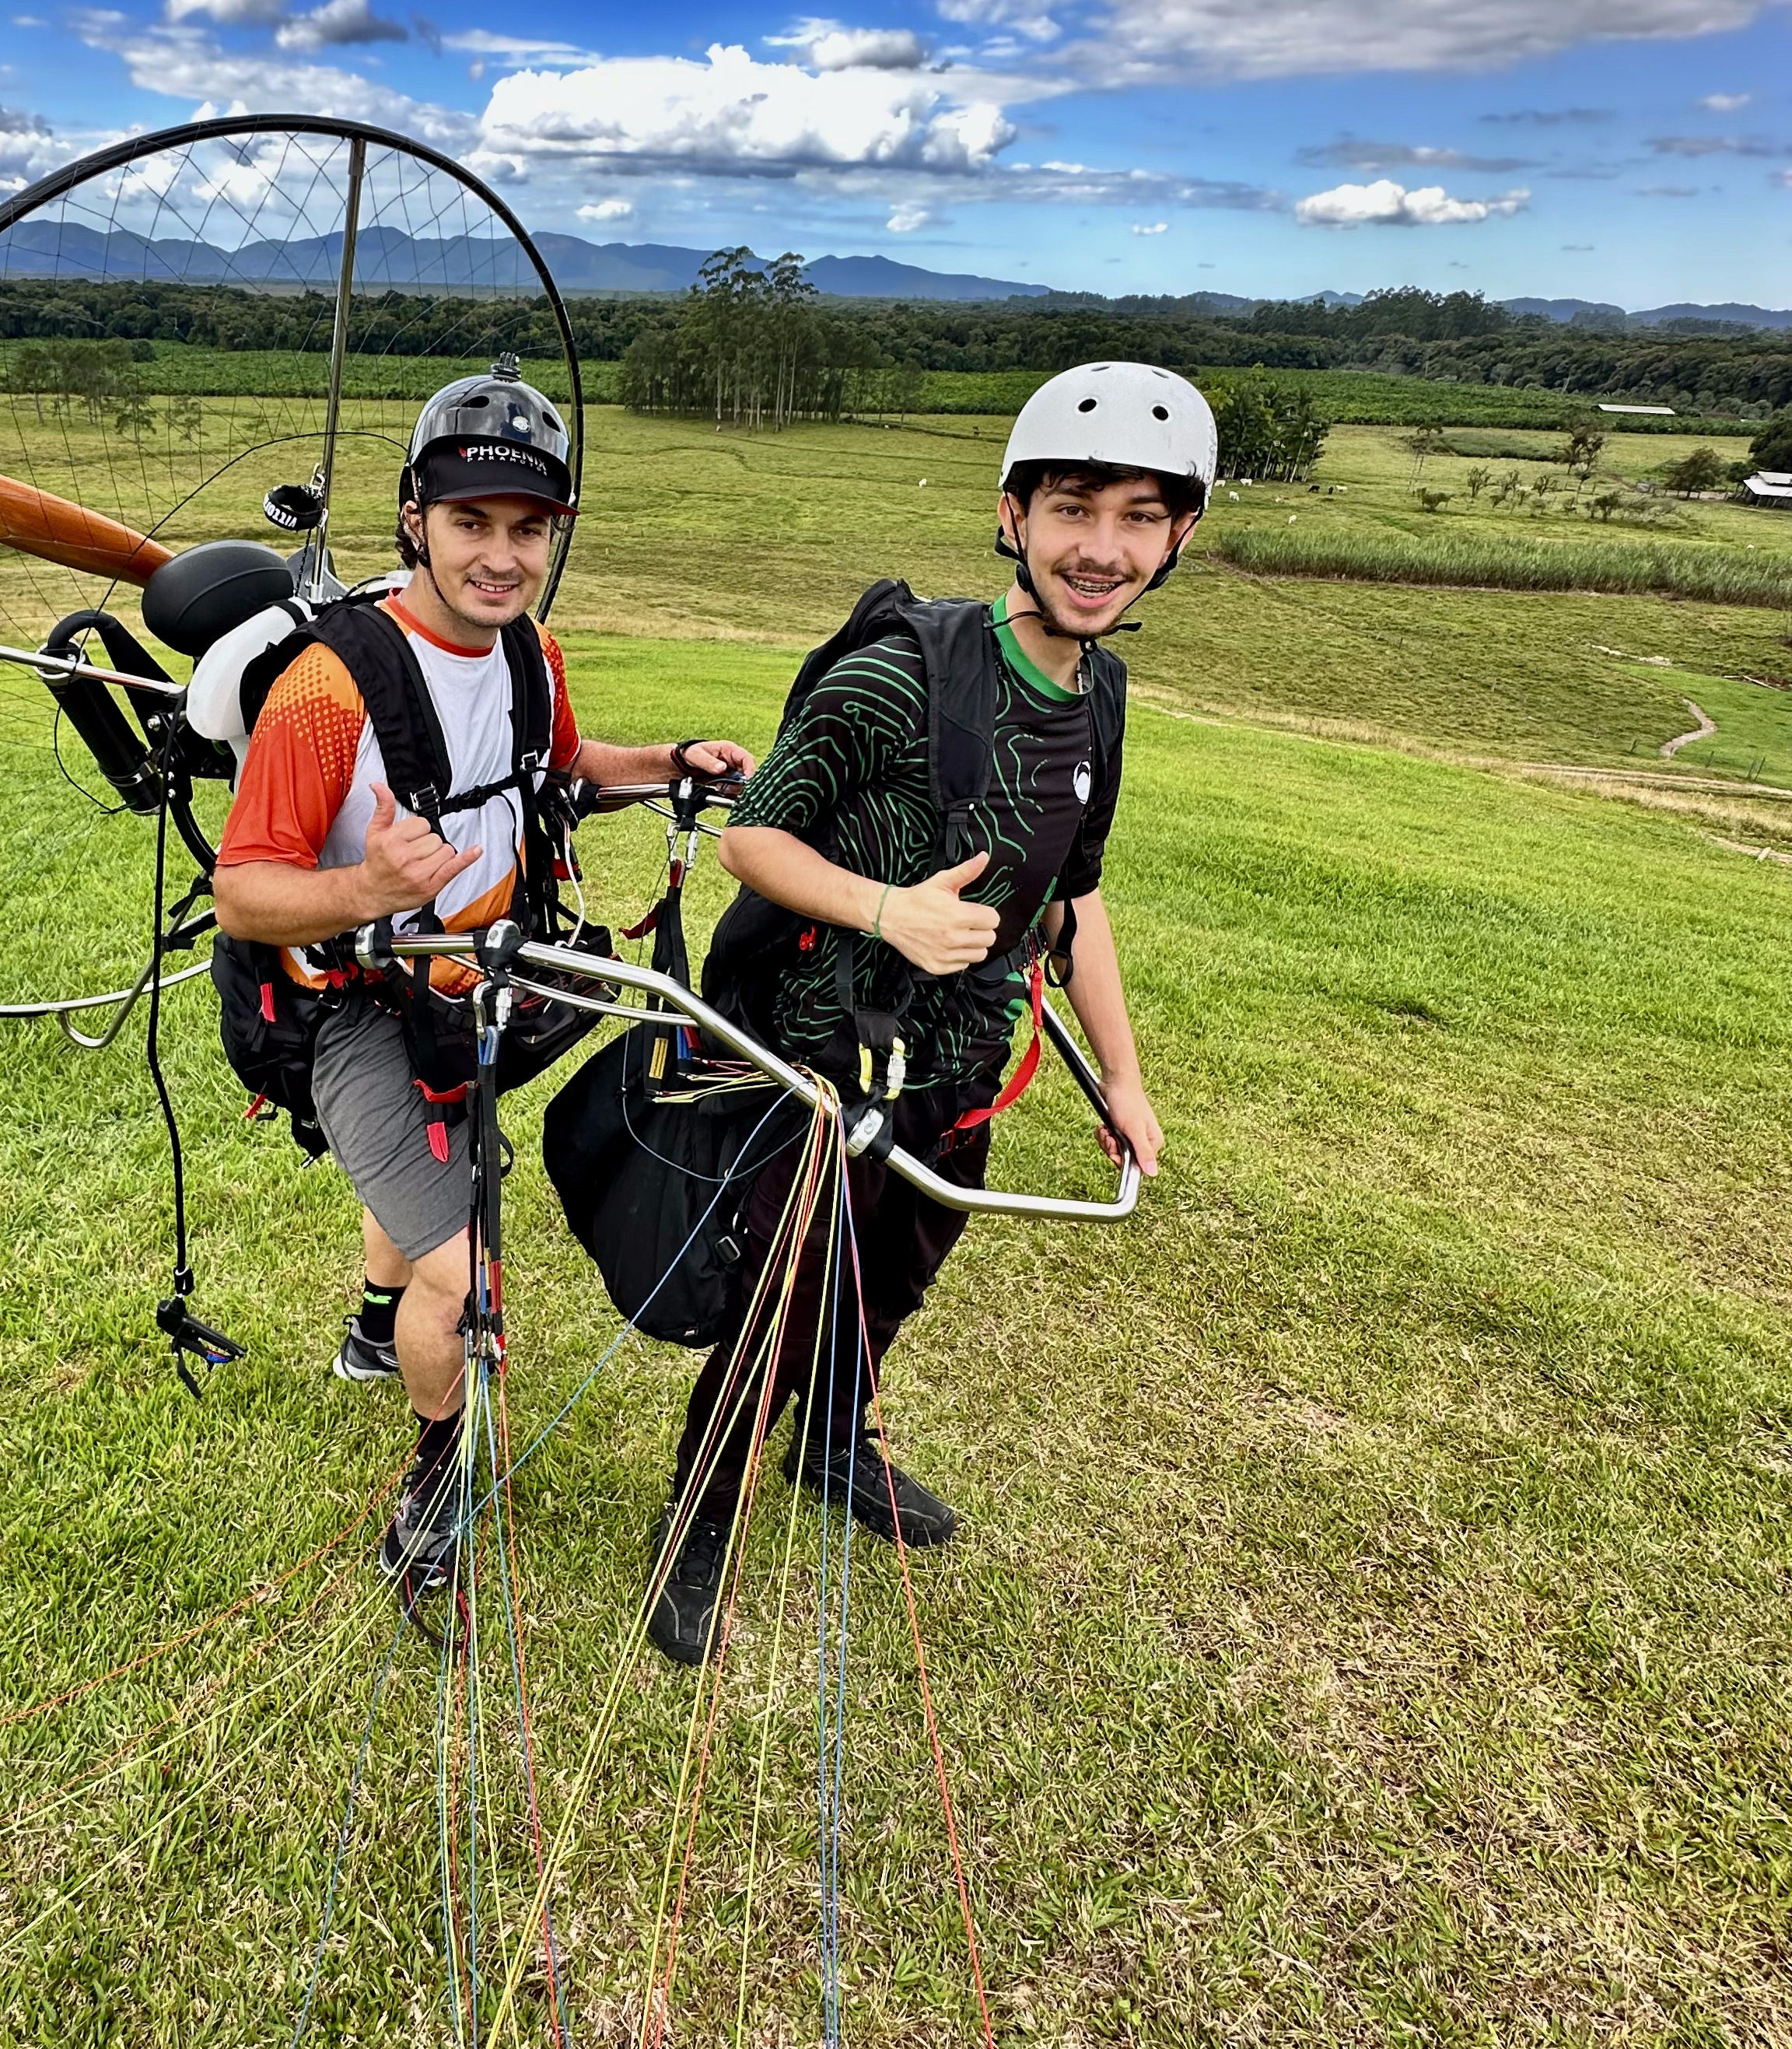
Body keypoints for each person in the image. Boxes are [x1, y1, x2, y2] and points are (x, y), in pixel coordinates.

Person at [645, 360, 1213, 1667]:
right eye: (1076, 508)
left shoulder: (1101, 698)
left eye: (1140, 516)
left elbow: (1077, 901)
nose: (1104, 547)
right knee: (777, 1315)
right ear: (1013, 513)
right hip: (829, 1068)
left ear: (1180, 538)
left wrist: (1123, 1078)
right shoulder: (902, 673)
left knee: (890, 1286)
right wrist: (888, 909)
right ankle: (700, 1526)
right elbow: (755, 842)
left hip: (963, 1073)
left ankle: (837, 1450)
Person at [209, 361, 754, 1593]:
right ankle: (435, 1473)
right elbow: (246, 889)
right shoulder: (326, 687)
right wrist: (364, 892)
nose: (500, 558)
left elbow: (560, 771)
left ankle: (366, 1323)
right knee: (463, 1281)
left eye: (527, 530)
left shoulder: (531, 657)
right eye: (471, 524)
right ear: (416, 515)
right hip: (354, 1005)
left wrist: (668, 761)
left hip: (481, 986)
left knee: (438, 1167)